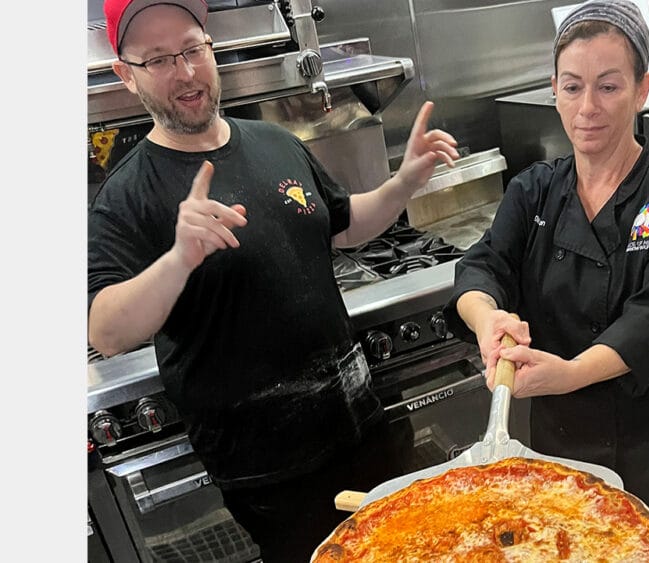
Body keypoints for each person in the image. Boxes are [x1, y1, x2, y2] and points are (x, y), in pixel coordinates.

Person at [87, 0, 460, 560]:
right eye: (159, 59)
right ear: (126, 74)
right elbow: (105, 332)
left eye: (192, 49)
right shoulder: (126, 195)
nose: (185, 73)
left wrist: (404, 181)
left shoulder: (277, 144)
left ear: (211, 49)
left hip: (360, 420)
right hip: (270, 472)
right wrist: (179, 258)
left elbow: (346, 224)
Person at [444, 0, 649, 514]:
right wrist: (487, 318)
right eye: (572, 86)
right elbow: (483, 267)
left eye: (609, 86)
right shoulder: (534, 191)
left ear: (642, 90)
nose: (587, 107)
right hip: (565, 448)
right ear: (554, 91)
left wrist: (569, 374)